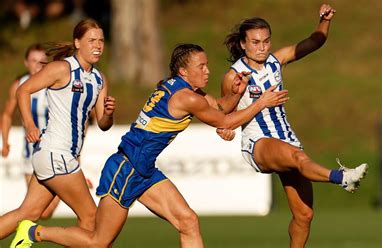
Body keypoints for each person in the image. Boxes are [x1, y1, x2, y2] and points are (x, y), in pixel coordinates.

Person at [10, 43, 288, 248]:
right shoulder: (185, 98)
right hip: (126, 169)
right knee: (98, 242)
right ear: (183, 71)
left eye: (206, 65)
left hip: (144, 170)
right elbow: (224, 121)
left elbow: (220, 107)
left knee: (188, 221)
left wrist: (234, 93)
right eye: (201, 67)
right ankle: (34, 232)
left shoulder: (187, 91)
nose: (208, 70)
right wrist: (260, 102)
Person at [219, 4, 368, 247]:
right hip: (258, 142)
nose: (262, 47)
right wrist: (224, 129)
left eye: (266, 41)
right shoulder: (233, 76)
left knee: (304, 215)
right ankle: (342, 176)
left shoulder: (276, 61)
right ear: (243, 44)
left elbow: (314, 42)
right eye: (255, 42)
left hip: (286, 137)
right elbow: (224, 113)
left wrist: (324, 21)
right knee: (299, 159)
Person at [2, 18, 115, 243]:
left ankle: (29, 230)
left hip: (58, 157)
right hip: (55, 154)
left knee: (27, 214)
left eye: (101, 40)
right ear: (77, 42)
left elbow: (103, 124)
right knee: (92, 219)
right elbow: (23, 91)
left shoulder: (99, 79)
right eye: (92, 40)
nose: (98, 45)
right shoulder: (62, 68)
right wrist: (30, 124)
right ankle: (34, 234)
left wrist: (109, 114)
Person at [1, 43, 61, 219]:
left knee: (45, 210)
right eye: (34, 61)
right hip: (30, 156)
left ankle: (66, 189)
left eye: (42, 61)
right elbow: (6, 115)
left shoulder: (56, 84)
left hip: (55, 152)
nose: (38, 65)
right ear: (26, 62)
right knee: (39, 212)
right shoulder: (19, 85)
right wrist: (5, 142)